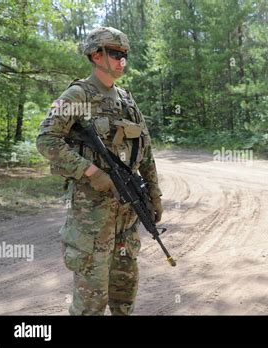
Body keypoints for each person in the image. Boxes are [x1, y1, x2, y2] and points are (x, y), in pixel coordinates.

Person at [36, 26, 163, 315]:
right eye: (115, 54)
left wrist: (154, 195)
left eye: (125, 55)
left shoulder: (127, 100)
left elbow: (146, 151)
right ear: (96, 55)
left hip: (127, 216)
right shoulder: (75, 95)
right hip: (92, 218)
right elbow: (46, 140)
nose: (122, 60)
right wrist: (90, 171)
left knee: (124, 294)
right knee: (91, 303)